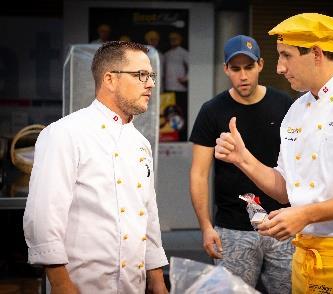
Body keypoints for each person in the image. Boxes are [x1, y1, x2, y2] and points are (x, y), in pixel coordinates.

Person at [214, 13, 333, 294]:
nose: (279, 68)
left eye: (286, 56)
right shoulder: (296, 110)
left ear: (316, 54)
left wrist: (305, 214)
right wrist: (243, 159)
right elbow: (286, 191)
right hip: (304, 260)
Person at [23, 41, 168, 294]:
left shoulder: (141, 143)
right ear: (110, 79)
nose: (151, 84)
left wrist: (157, 280)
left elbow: (149, 215)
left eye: (151, 75)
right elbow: (43, 216)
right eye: (141, 75)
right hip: (80, 285)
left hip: (132, 285)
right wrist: (60, 283)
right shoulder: (64, 133)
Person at [190, 35, 294, 293]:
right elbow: (199, 174)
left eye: (248, 67)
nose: (243, 75)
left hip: (283, 224)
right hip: (232, 228)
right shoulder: (212, 111)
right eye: (235, 69)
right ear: (226, 69)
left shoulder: (287, 106)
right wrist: (205, 226)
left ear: (260, 64)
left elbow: (303, 166)